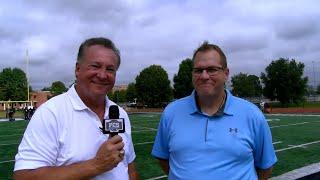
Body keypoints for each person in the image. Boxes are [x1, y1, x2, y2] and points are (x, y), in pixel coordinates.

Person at [14, 37, 138, 180]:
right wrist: (97, 165)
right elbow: (23, 177)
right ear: (77, 69)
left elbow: (129, 168)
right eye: (95, 66)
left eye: (110, 69)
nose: (103, 75)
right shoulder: (51, 113)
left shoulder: (120, 113)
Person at [152, 41, 277, 179]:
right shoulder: (171, 112)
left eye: (212, 69)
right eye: (198, 70)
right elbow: (163, 159)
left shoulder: (252, 114)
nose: (204, 76)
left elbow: (266, 167)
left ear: (226, 73)